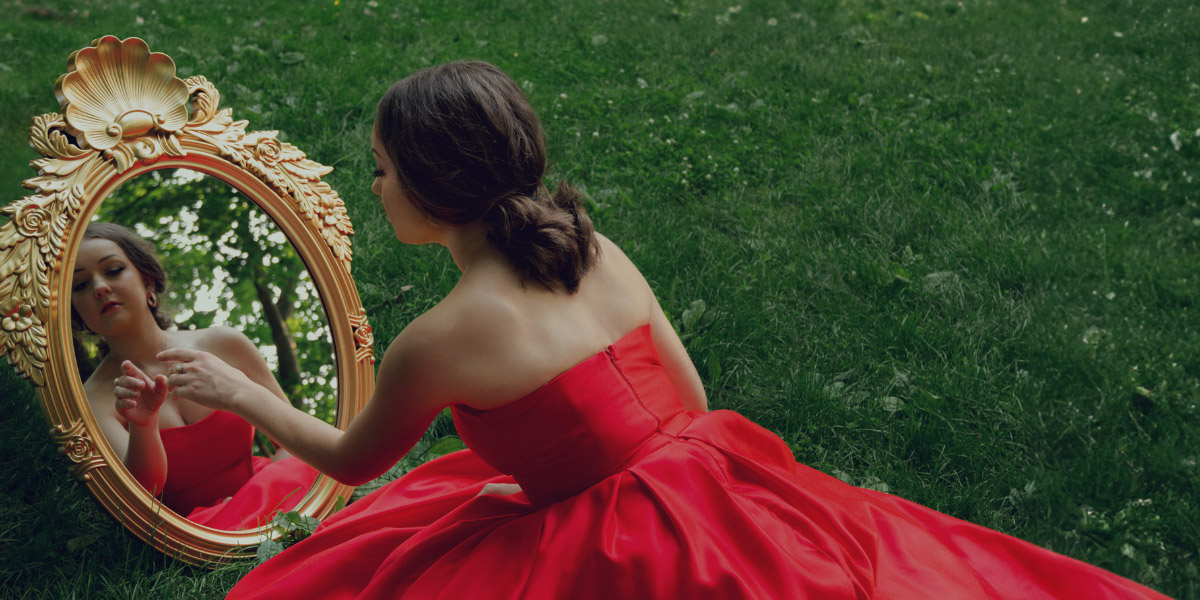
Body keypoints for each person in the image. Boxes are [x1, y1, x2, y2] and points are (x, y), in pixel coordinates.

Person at [146, 62, 1168, 598]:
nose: (374, 186)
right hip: (720, 478)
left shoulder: (443, 337)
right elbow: (689, 396)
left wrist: (241, 393)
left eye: (381, 167)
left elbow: (352, 461)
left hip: (629, 535)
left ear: (433, 186)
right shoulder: (593, 247)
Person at [73, 222, 318, 530]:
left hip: (275, 492)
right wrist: (143, 425)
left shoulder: (225, 344)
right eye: (81, 285)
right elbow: (141, 495)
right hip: (195, 533)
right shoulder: (92, 399)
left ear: (147, 281)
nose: (100, 287)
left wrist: (272, 505)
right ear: (77, 313)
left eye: (112, 270)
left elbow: (293, 439)